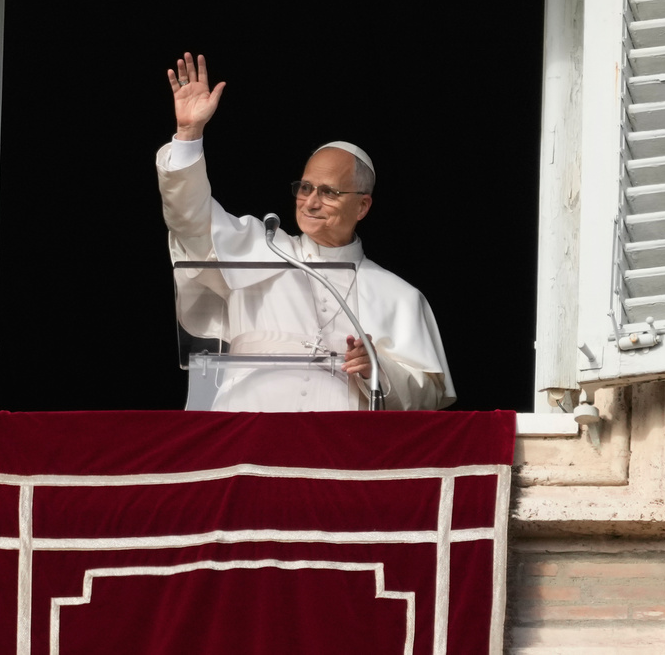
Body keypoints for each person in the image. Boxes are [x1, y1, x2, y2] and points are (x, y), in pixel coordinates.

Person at [158, 53, 456, 411]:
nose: (310, 202)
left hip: (336, 449)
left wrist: (376, 368)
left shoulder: (398, 295)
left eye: (328, 192)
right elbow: (188, 217)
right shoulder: (256, 247)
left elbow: (430, 396)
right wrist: (189, 135)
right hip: (245, 432)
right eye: (305, 187)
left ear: (362, 206)